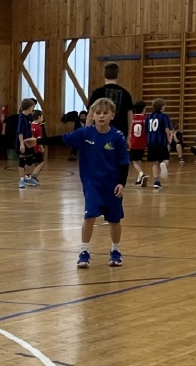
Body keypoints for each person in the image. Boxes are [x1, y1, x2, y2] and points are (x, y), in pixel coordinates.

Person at [29, 97, 129, 268]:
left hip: (112, 185)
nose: (101, 116)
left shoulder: (117, 137)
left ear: (112, 115)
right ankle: (84, 251)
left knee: (114, 220)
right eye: (98, 113)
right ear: (93, 115)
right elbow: (62, 139)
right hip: (92, 184)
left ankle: (115, 250)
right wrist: (38, 141)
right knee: (89, 216)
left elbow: (124, 162)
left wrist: (121, 183)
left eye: (105, 113)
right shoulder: (85, 133)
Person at [87, 61, 134, 134]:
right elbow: (130, 118)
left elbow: (91, 115)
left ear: (104, 74)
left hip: (100, 133)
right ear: (118, 74)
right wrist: (129, 135)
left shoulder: (97, 93)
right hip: (120, 133)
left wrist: (87, 132)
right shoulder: (126, 94)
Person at [145, 98, 174, 188]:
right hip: (161, 142)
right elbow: (167, 129)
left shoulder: (149, 116)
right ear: (162, 107)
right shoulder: (164, 116)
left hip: (151, 142)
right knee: (165, 159)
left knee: (155, 162)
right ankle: (164, 164)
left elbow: (146, 130)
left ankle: (156, 182)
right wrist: (169, 139)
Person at [17, 98, 38, 188]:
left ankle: (28, 178)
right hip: (22, 142)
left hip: (29, 142)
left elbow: (30, 130)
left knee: (30, 160)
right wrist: (21, 144)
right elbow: (20, 132)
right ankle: (21, 180)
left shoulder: (29, 117)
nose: (33, 108)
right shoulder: (21, 118)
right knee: (22, 161)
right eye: (33, 106)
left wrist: (32, 138)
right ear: (29, 107)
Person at [128, 100, 148, 185]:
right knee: (138, 160)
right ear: (143, 109)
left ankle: (141, 174)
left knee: (135, 161)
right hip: (142, 143)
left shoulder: (131, 118)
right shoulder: (145, 119)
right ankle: (139, 178)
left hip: (133, 143)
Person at [29, 110, 47, 183]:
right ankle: (33, 176)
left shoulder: (29, 125)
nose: (42, 119)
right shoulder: (39, 127)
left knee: (32, 163)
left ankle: (29, 176)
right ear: (39, 117)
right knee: (41, 162)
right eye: (42, 117)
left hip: (29, 147)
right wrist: (42, 149)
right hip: (36, 148)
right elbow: (39, 140)